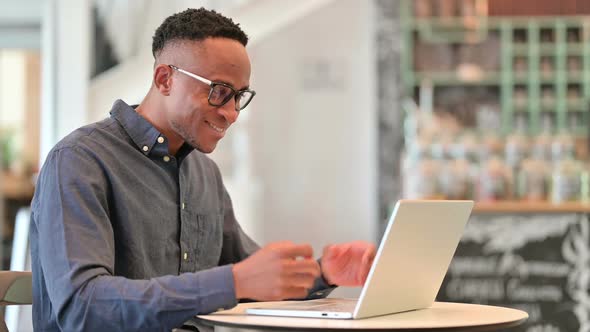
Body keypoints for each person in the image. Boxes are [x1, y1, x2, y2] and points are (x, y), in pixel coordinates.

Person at [30, 7, 376, 332]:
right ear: (165, 79)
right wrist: (233, 281)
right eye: (219, 92)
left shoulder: (204, 174)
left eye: (239, 95)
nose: (231, 112)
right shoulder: (80, 160)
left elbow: (254, 275)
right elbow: (82, 307)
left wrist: (322, 272)